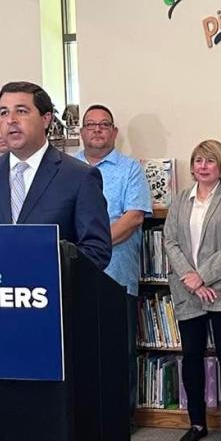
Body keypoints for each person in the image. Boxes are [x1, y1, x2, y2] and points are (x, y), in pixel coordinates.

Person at [0, 81, 112, 271]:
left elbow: (97, 250)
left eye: (21, 111)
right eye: (4, 112)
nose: (11, 120)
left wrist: (42, 266)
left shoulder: (79, 176)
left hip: (52, 294)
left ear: (46, 119)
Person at [163, 140, 221, 441]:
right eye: (198, 160)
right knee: (192, 357)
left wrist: (203, 276)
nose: (202, 166)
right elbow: (170, 240)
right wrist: (192, 279)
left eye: (209, 161)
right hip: (188, 290)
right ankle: (197, 422)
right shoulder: (180, 201)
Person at [74, 104, 153, 416]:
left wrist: (90, 248)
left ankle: (121, 418)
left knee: (118, 352)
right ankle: (84, 415)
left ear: (114, 132)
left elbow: (133, 218)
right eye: (91, 124)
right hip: (73, 276)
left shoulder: (130, 169)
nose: (97, 129)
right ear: (81, 132)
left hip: (117, 275)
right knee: (79, 352)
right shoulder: (65, 168)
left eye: (104, 124)